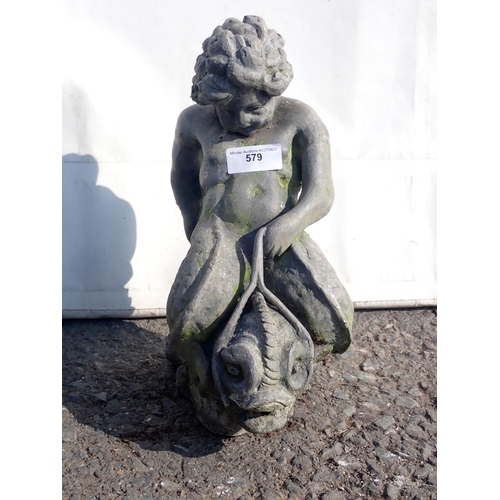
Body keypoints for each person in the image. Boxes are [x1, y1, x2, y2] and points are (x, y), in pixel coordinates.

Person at [167, 16, 353, 370]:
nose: (242, 120)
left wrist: (292, 224)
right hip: (221, 235)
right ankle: (206, 370)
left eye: (254, 109)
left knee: (333, 317)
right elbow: (183, 178)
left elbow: (321, 192)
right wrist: (195, 225)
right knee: (187, 321)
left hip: (280, 235)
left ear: (274, 91)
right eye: (228, 110)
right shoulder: (193, 122)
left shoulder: (300, 120)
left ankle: (291, 357)